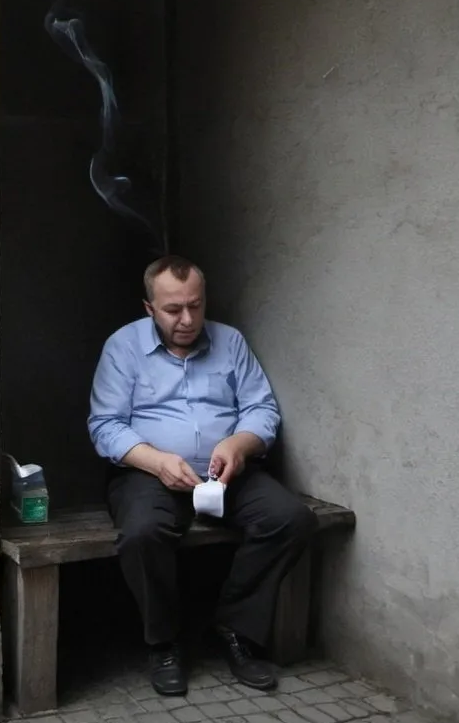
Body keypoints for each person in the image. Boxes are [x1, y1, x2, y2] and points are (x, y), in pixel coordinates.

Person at [88, 255, 317, 696]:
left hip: (226, 471)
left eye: (196, 305)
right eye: (173, 310)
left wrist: (239, 444)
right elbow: (105, 425)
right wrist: (156, 460)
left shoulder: (230, 342)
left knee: (291, 519)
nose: (188, 319)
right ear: (149, 308)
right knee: (142, 533)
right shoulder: (123, 347)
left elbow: (261, 409)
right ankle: (165, 642)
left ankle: (236, 629)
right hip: (148, 472)